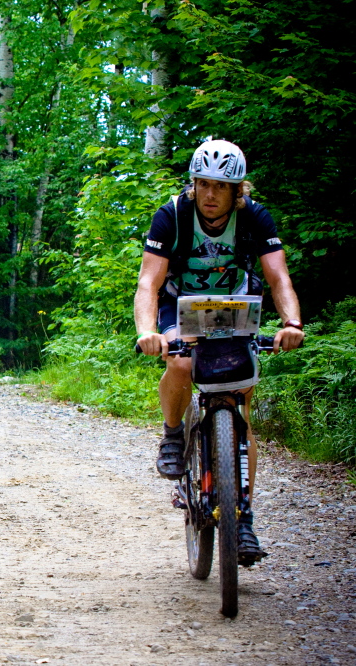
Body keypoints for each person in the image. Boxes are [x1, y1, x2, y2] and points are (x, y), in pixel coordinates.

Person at [133, 139, 305, 564]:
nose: (211, 195)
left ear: (238, 190)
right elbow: (148, 283)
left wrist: (292, 324)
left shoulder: (255, 217)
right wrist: (147, 332)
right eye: (204, 184)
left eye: (222, 187)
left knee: (241, 399)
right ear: (193, 184)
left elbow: (278, 277)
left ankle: (242, 516)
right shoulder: (173, 215)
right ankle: (174, 433)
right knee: (180, 361)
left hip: (234, 308)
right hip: (182, 303)